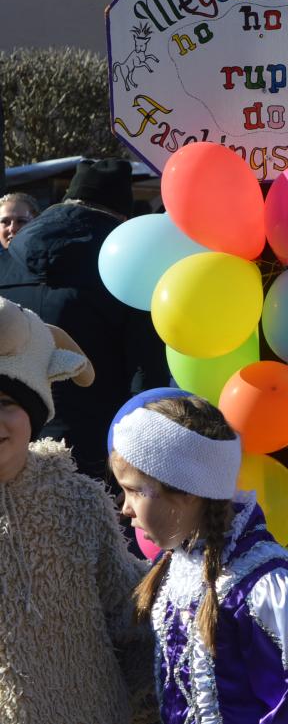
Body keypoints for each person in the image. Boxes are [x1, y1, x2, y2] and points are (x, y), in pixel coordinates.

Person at [110, 394, 288, 722]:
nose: (125, 509)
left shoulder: (265, 588)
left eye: (135, 491)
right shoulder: (174, 566)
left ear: (188, 491)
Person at [0, 296, 155, 724]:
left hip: (90, 710)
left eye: (6, 404)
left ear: (35, 412)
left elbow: (126, 603)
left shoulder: (76, 501)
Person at [0, 158, 169, 482]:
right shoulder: (128, 268)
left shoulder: (9, 260)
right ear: (121, 214)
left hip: (15, 448)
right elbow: (145, 376)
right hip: (98, 458)